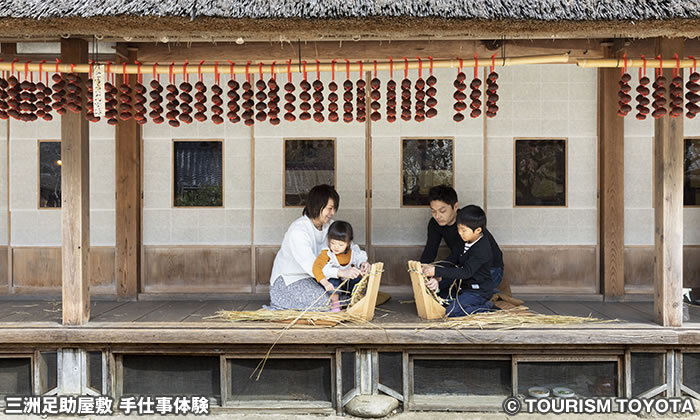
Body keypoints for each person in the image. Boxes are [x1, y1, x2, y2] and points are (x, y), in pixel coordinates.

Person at [268, 184, 362, 310]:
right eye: (330, 208)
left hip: (317, 279)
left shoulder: (330, 226)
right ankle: (345, 301)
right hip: (290, 281)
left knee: (349, 290)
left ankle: (346, 300)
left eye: (334, 208)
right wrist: (342, 272)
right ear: (317, 206)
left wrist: (362, 262)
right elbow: (313, 266)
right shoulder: (299, 230)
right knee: (326, 301)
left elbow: (351, 247)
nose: (333, 213)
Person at [419, 185, 506, 294]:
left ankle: (487, 294)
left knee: (462, 292)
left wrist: (436, 272)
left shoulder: (466, 224)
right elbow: (430, 250)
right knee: (437, 288)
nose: (437, 216)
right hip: (463, 266)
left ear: (455, 206)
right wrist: (421, 270)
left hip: (489, 269)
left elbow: (455, 257)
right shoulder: (434, 223)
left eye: (442, 210)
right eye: (433, 211)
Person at [421, 205, 495, 317]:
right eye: (458, 228)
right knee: (439, 298)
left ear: (478, 230)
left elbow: (466, 272)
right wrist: (437, 276)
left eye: (463, 230)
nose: (459, 232)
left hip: (478, 291)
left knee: (452, 311)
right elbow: (452, 260)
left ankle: (485, 307)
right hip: (463, 287)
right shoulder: (465, 240)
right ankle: (465, 303)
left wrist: (437, 271)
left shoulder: (482, 248)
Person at [312, 221, 370, 312]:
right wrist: (325, 283)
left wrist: (363, 263)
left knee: (358, 281)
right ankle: (335, 304)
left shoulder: (352, 251)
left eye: (340, 244)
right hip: (333, 283)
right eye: (333, 243)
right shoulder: (327, 253)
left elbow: (360, 257)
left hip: (347, 283)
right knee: (333, 281)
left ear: (349, 243)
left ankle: (358, 302)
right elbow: (316, 268)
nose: (336, 247)